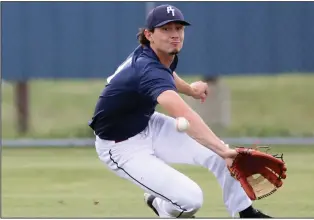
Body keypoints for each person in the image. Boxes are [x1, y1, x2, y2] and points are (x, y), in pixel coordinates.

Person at [88, 4, 271, 218]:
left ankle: (246, 213)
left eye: (178, 28)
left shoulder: (161, 55)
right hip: (121, 146)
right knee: (189, 200)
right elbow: (185, 114)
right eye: (166, 29)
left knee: (220, 154)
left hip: (147, 124)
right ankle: (163, 207)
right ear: (149, 35)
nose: (174, 35)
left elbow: (167, 75)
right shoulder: (146, 69)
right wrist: (223, 150)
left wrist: (191, 90)